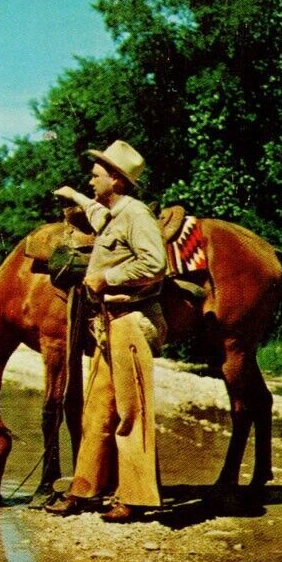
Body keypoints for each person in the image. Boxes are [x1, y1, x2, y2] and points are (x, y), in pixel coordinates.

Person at [44, 140, 165, 523]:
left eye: (96, 175)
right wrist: (75, 195)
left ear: (116, 179)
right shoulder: (114, 213)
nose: (91, 179)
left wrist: (105, 277)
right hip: (108, 325)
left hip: (130, 320)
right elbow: (97, 214)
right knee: (97, 410)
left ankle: (136, 496)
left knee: (132, 412)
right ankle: (85, 490)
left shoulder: (136, 215)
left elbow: (155, 263)